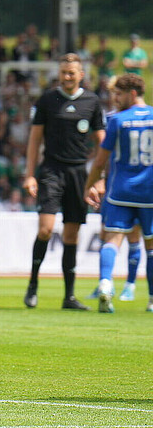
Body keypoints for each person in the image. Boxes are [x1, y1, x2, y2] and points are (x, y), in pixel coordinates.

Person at [22, 54, 105, 310]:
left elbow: (103, 143)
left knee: (71, 234)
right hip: (52, 170)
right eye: (63, 72)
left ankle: (69, 296)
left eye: (71, 72)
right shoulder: (48, 100)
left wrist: (99, 179)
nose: (67, 76)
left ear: (81, 75)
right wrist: (29, 173)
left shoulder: (92, 102)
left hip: (79, 173)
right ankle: (33, 285)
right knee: (45, 229)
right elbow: (35, 139)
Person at [84, 73, 153, 313]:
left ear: (132, 93)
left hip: (121, 190)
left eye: (119, 94)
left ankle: (105, 285)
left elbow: (100, 160)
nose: (115, 98)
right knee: (151, 246)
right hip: (150, 194)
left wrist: (89, 185)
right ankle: (152, 300)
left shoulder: (118, 120)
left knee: (112, 239)